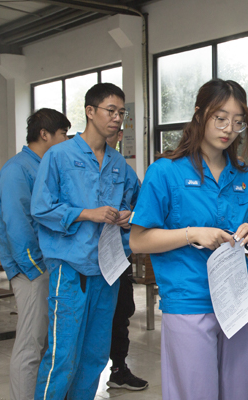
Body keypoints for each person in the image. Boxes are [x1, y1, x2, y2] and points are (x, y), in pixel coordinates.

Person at [129, 79, 248, 400]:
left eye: (237, 122)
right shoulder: (165, 172)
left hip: (237, 300)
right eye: (220, 118)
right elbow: (138, 241)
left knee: (242, 392)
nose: (229, 129)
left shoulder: (245, 176)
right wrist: (192, 234)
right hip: (190, 300)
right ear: (199, 114)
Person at [31, 83, 136, 400]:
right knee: (62, 357)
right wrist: (86, 213)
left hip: (107, 270)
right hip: (71, 269)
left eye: (121, 113)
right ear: (90, 111)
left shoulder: (118, 163)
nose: (117, 118)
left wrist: (129, 215)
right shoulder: (59, 156)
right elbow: (41, 208)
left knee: (95, 356)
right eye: (111, 111)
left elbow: (140, 201)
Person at [0, 108, 69, 400]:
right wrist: (36, 268)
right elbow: (17, 224)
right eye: (63, 134)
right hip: (32, 269)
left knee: (46, 342)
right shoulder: (17, 170)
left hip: (50, 265)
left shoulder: (45, 166)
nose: (66, 140)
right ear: (44, 134)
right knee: (30, 344)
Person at [104, 129, 148, 391]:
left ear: (120, 135)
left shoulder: (125, 170)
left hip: (118, 256)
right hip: (85, 258)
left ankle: (119, 368)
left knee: (121, 314)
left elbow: (144, 207)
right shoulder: (73, 164)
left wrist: (130, 215)